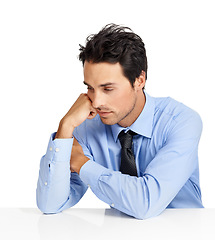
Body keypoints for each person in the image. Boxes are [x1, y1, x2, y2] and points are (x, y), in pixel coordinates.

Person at [36, 24, 203, 219]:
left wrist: (82, 163)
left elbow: (145, 203)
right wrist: (65, 128)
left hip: (186, 232)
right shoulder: (86, 128)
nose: (96, 102)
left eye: (107, 89)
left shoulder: (181, 122)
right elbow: (50, 205)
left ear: (139, 80)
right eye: (90, 88)